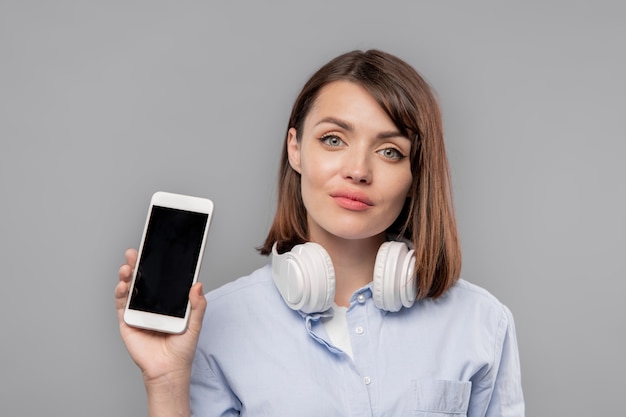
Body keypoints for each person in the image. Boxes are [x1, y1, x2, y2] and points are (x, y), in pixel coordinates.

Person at [116, 49, 525, 416]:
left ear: (415, 173)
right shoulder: (219, 324)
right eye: (333, 140)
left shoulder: (480, 323)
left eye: (390, 151)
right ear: (295, 148)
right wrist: (166, 383)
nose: (358, 170)